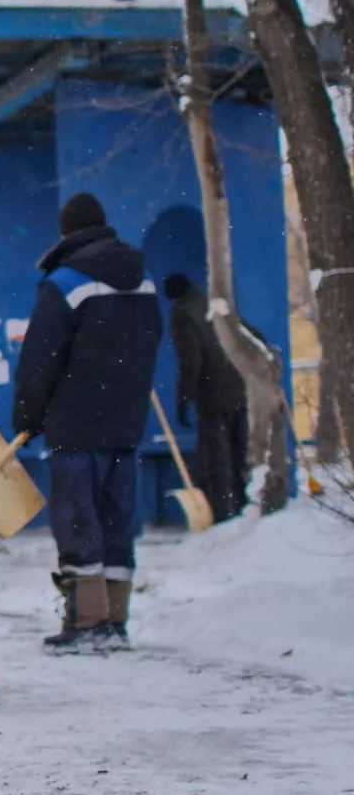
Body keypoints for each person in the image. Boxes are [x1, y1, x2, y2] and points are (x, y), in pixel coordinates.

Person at [13, 193, 162, 653]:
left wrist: (28, 417)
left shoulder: (65, 282)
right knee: (118, 518)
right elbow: (153, 338)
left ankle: (86, 622)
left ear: (66, 233)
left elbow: (40, 359)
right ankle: (116, 619)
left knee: (77, 519)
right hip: (126, 421)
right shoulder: (142, 279)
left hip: (75, 423)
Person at [164, 273, 252, 523]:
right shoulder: (213, 304)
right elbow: (248, 336)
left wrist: (183, 401)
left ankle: (221, 514)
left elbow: (191, 362)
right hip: (237, 386)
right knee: (239, 453)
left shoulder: (183, 315)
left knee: (215, 459)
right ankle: (243, 505)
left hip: (212, 395)